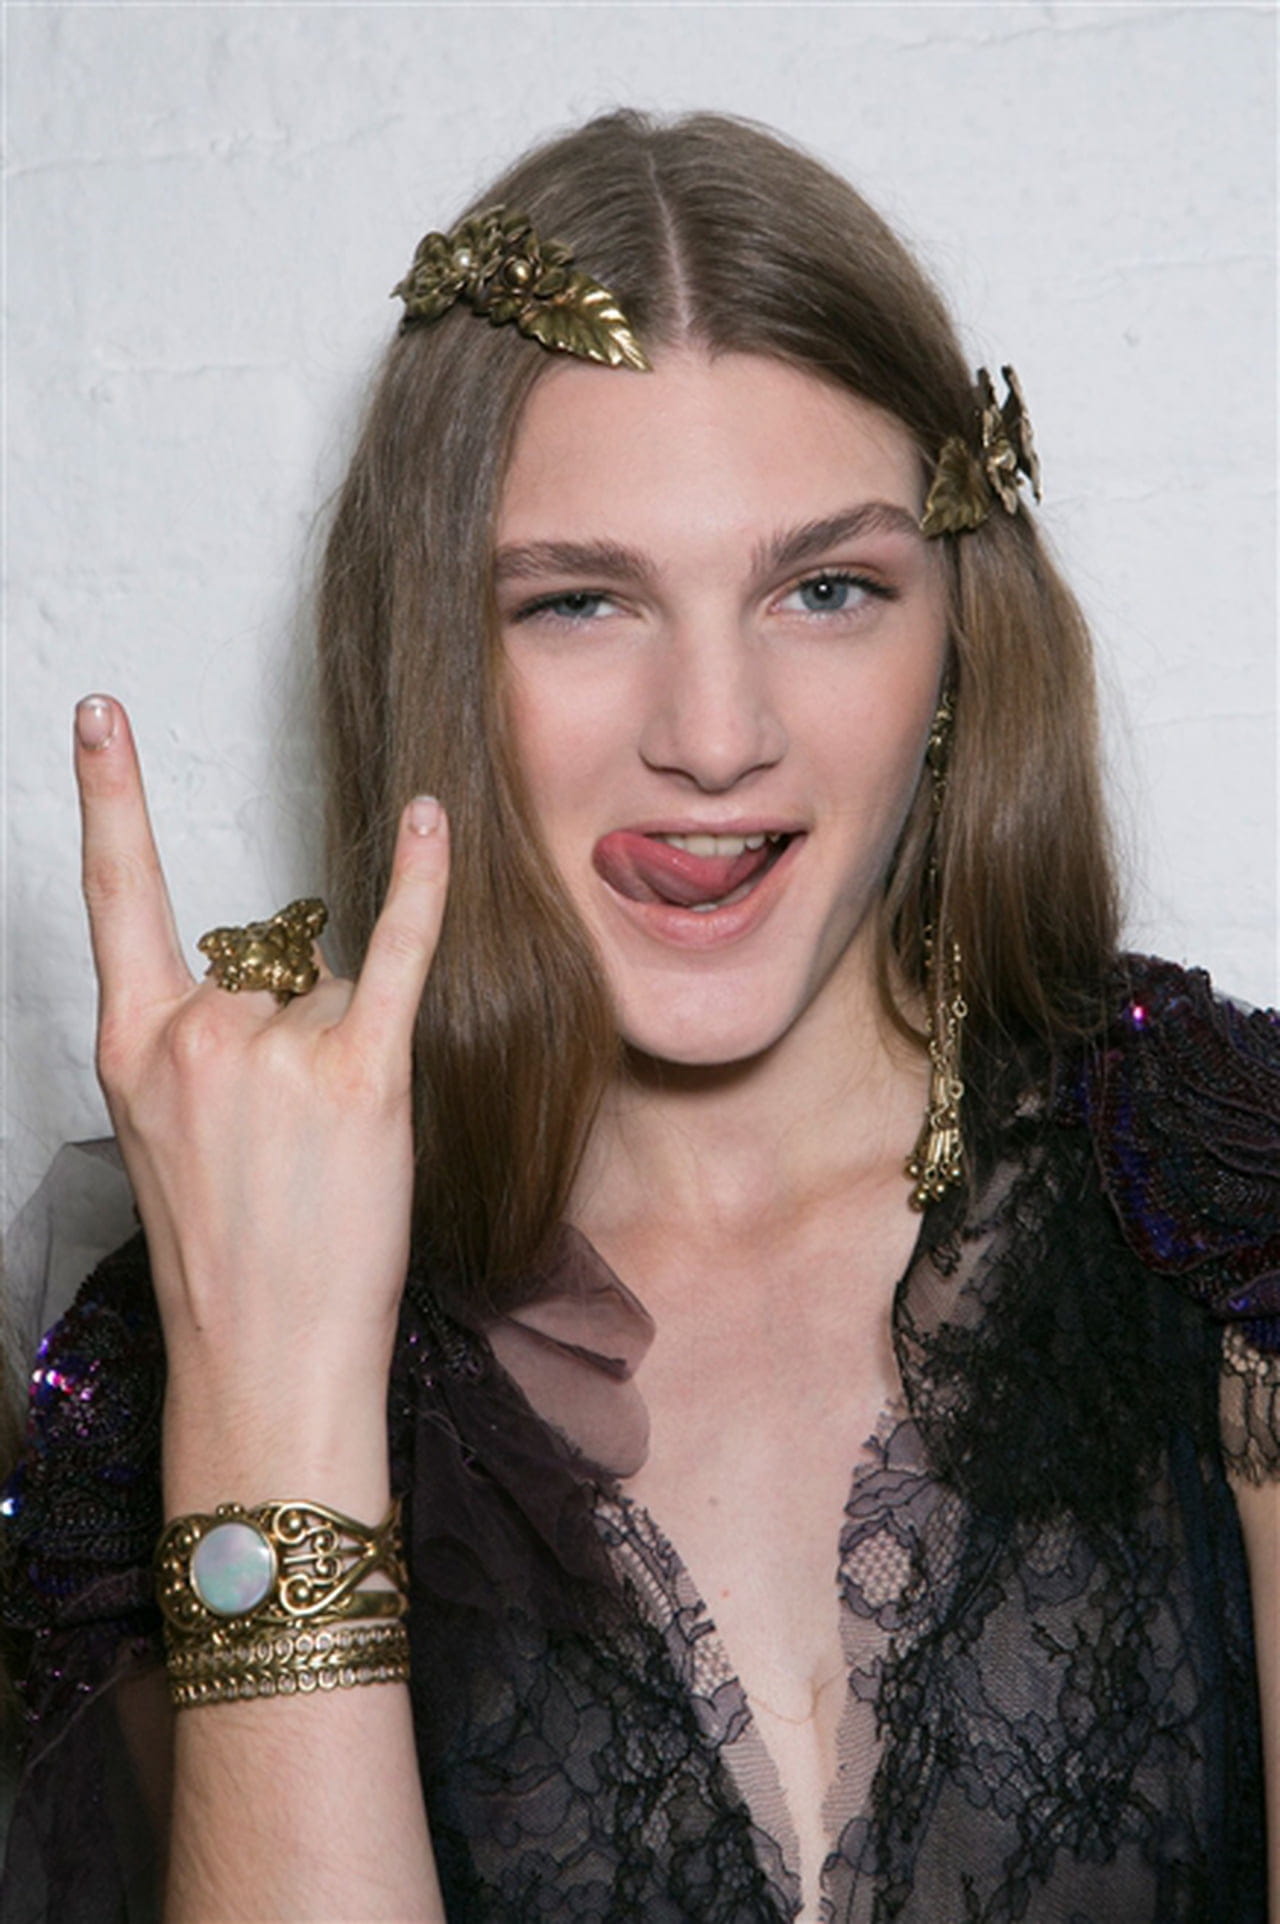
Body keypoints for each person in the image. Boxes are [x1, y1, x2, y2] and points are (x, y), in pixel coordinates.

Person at [2, 108, 1277, 1924]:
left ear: (957, 638)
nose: (714, 734)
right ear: (439, 656)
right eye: (582, 602)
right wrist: (271, 1394)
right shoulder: (202, 1333)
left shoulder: (1222, 1192)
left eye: (826, 590)